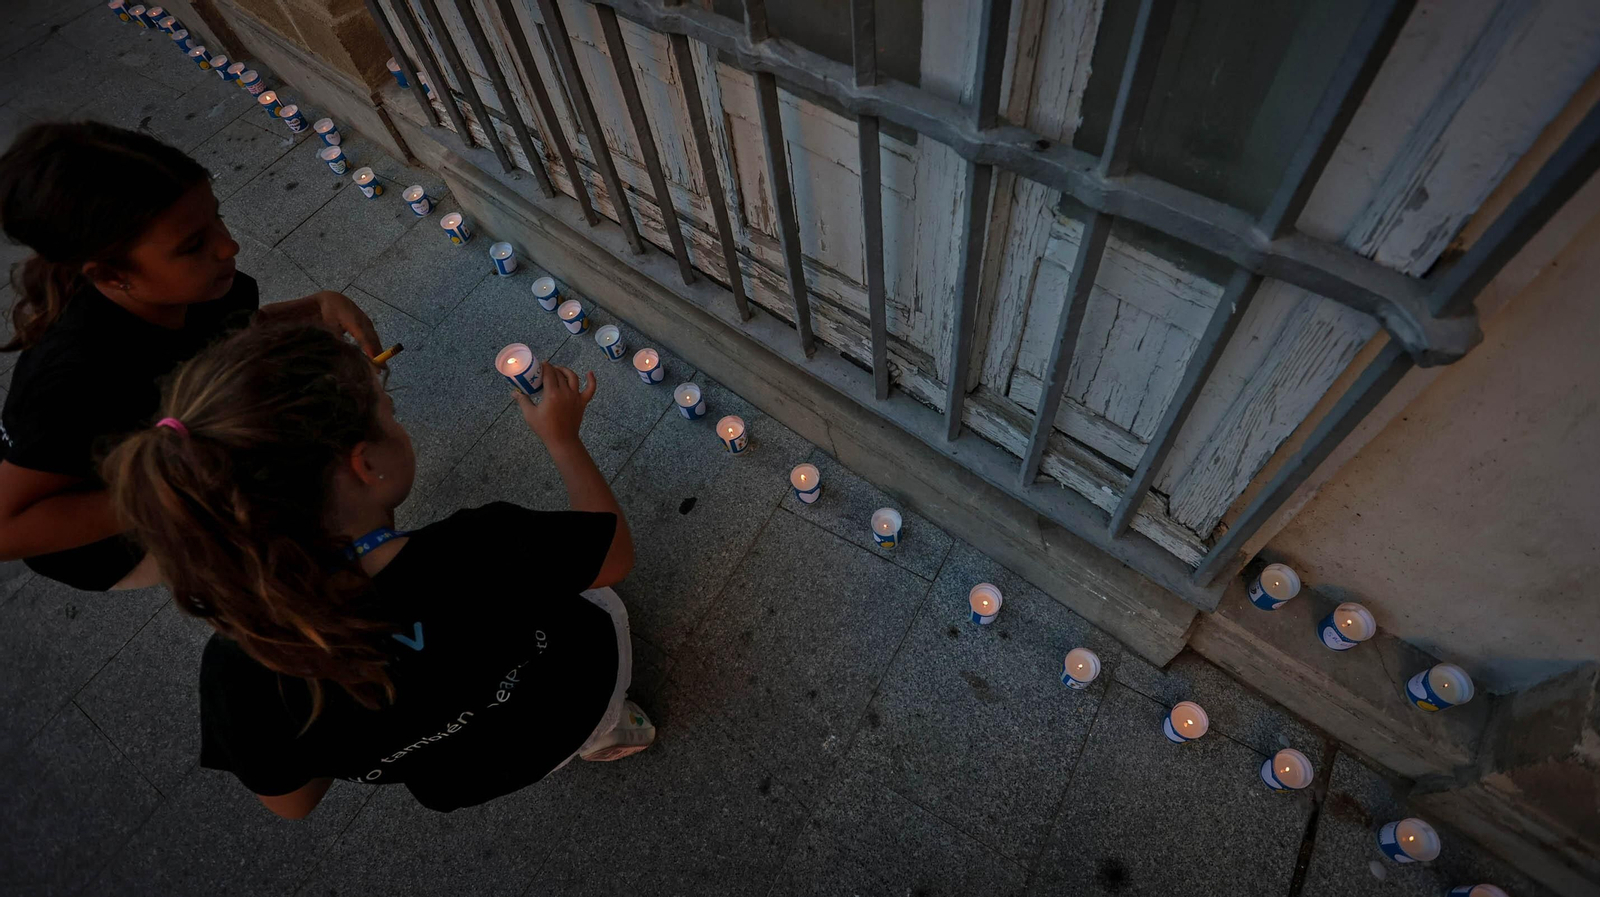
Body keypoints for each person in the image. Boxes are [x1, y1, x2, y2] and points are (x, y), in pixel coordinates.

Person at [102, 324, 652, 817]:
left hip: (468, 774)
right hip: (577, 688)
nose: (398, 420)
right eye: (389, 408)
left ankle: (604, 736)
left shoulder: (237, 673)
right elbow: (614, 556)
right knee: (599, 618)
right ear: (364, 464)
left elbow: (293, 801)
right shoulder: (479, 547)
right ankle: (607, 727)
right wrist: (564, 440)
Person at [0, 121, 382, 591]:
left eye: (216, 217)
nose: (229, 245)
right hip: (122, 535)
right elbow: (7, 528)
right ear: (110, 275)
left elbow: (219, 335)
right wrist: (184, 484)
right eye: (193, 245)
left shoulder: (204, 290)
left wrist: (308, 311)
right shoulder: (74, 380)